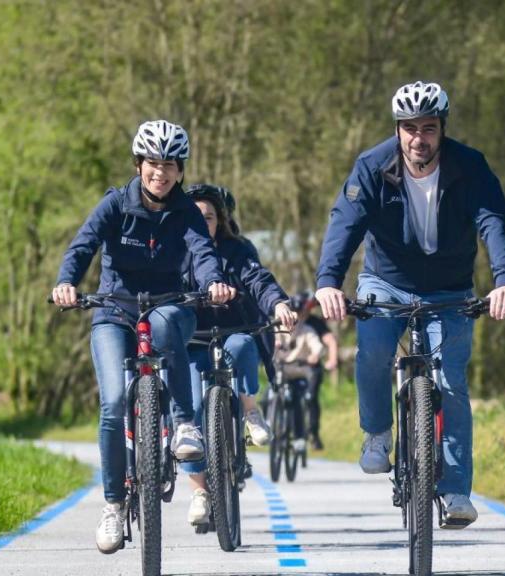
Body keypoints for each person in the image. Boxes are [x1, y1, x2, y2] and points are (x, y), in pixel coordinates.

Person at [314, 81, 505, 528]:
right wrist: (328, 282)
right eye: (410, 128)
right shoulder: (372, 166)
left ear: (442, 129)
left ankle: (455, 493)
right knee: (372, 351)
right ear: (398, 130)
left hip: (449, 288)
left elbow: (494, 222)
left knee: (450, 380)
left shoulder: (470, 167)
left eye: (428, 128)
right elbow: (345, 224)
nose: (419, 138)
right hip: (385, 280)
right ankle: (377, 433)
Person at [51, 120, 236, 554]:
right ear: (139, 165)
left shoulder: (187, 210)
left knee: (171, 324)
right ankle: (114, 504)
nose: (161, 172)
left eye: (170, 164)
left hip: (167, 303)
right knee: (114, 403)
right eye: (153, 162)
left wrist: (213, 283)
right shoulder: (115, 204)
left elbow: (203, 252)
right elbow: (83, 247)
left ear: (179, 170)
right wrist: (66, 283)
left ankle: (184, 423)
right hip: (115, 310)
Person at [179, 183, 297, 526]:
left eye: (210, 217)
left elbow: (259, 280)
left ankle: (250, 411)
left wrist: (278, 303)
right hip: (193, 340)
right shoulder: (175, 252)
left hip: (232, 332)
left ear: (221, 220)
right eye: (196, 217)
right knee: (191, 414)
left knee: (245, 345)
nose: (204, 222)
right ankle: (200, 491)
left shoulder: (237, 250)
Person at [279, 291, 339, 450]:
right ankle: (281, 429)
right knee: (282, 396)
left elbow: (330, 341)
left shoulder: (313, 323)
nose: (299, 313)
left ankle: (313, 433)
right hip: (288, 365)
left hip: (310, 365)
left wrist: (331, 360)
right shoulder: (285, 322)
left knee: (310, 397)